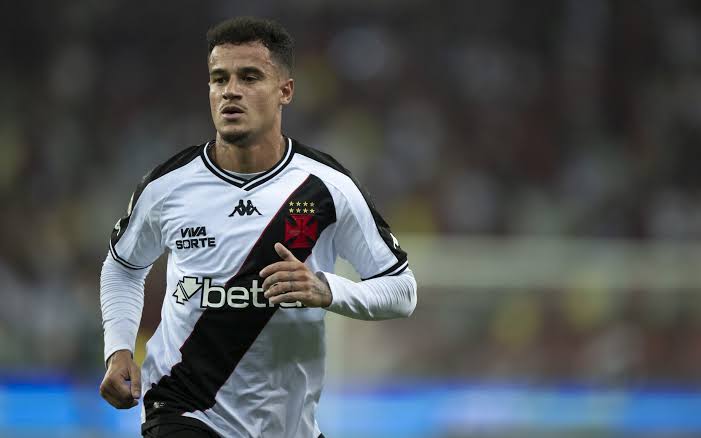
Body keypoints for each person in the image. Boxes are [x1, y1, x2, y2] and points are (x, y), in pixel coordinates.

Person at [99, 16, 417, 438]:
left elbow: (402, 290)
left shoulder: (327, 186)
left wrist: (328, 290)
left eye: (249, 77)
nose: (230, 91)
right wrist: (118, 348)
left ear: (285, 91)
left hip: (289, 425)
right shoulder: (167, 186)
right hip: (183, 407)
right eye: (219, 79)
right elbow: (123, 267)